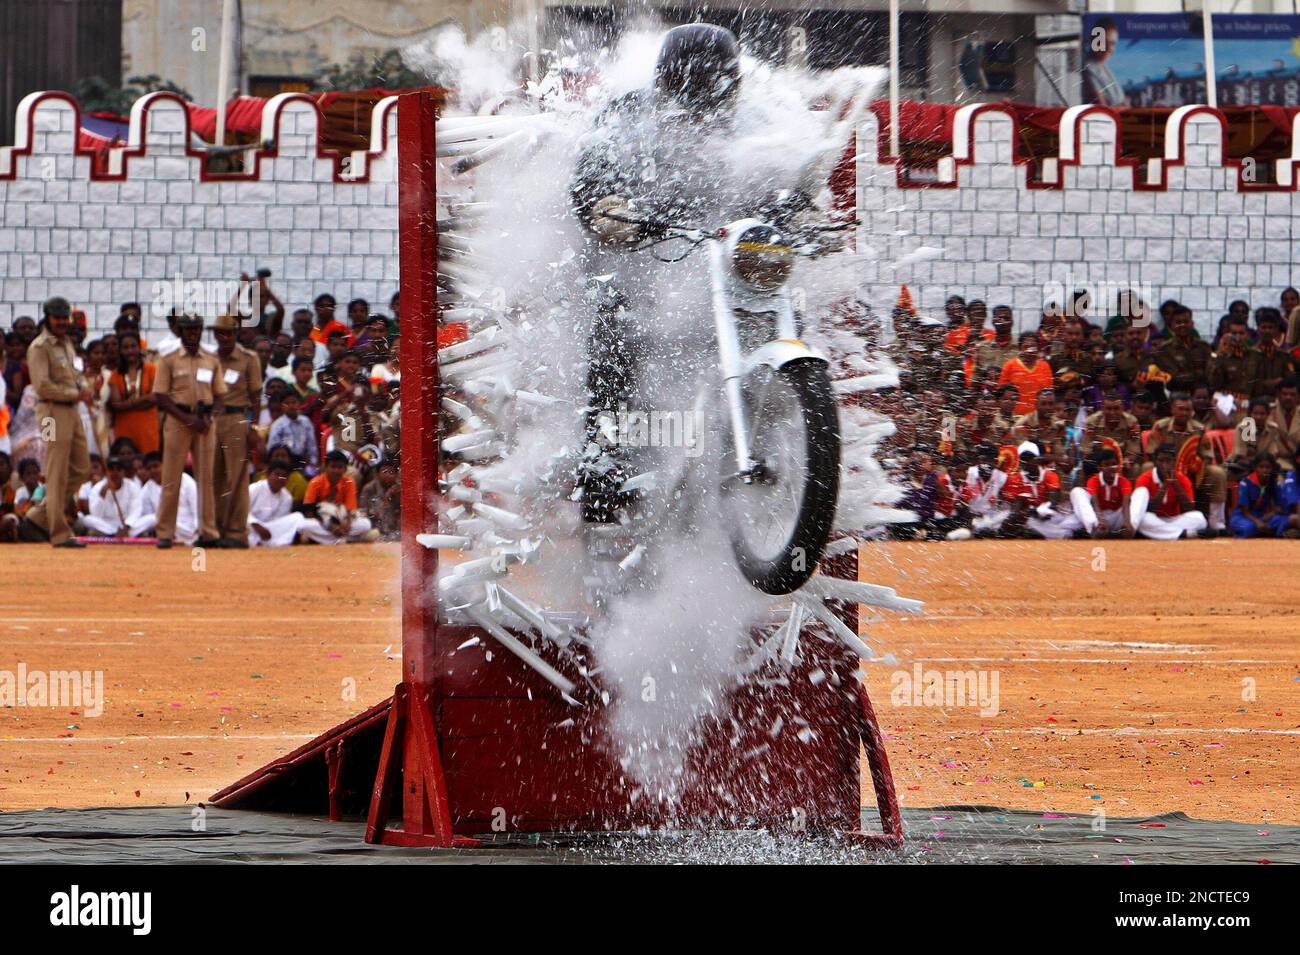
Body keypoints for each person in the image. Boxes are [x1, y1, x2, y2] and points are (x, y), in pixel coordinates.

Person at [21, 296, 91, 548]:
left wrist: (84, 386)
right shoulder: (39, 347)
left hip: (72, 411)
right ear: (48, 317)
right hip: (51, 412)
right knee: (56, 469)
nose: (62, 322)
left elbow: (76, 373)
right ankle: (60, 533)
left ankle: (38, 516)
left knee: (83, 468)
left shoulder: (67, 343)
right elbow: (42, 386)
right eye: (58, 318)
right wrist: (75, 393)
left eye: (65, 317)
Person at [152, 314, 226, 548]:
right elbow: (161, 396)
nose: (192, 333)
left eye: (196, 329)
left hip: (204, 423)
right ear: (180, 332)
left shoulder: (211, 359)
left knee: (206, 478)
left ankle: (208, 532)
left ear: (201, 330)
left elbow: (220, 395)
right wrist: (187, 419)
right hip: (178, 418)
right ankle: (165, 533)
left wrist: (210, 416)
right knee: (171, 478)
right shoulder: (169, 359)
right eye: (188, 330)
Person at [212, 314, 263, 547]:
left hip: (237, 419)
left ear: (236, 334)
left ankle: (236, 533)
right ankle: (215, 529)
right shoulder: (209, 359)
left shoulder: (248, 359)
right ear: (215, 334)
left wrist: (253, 427)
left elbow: (255, 397)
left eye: (230, 333)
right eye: (222, 333)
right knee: (214, 478)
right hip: (212, 421)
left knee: (237, 478)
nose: (226, 337)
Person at [1146, 392, 1227, 534]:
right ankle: (1145, 517)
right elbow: (1152, 454)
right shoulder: (1160, 427)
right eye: (1180, 409)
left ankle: (1217, 525)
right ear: (1172, 409)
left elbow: (1207, 456)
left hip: (1192, 473)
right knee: (1145, 468)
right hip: (1163, 471)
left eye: (1188, 410)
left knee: (1217, 473)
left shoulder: (1200, 429)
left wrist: (1198, 464)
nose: (1184, 413)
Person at [1131, 444, 1207, 540]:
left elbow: (1189, 508)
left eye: (1168, 461)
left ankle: (1164, 533)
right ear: (1155, 462)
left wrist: (1175, 484)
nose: (1164, 465)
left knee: (1199, 518)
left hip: (1174, 520)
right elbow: (1150, 509)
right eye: (1161, 460)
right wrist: (1165, 485)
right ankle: (1183, 534)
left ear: (1174, 462)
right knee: (1143, 519)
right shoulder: (1144, 478)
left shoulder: (1182, 479)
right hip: (1154, 519)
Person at [299, 450, 374, 544]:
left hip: (343, 521)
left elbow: (350, 510)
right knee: (303, 525)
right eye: (333, 467)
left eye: (340, 467)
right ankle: (345, 540)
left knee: (365, 524)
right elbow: (309, 512)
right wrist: (330, 526)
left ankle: (328, 540)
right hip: (323, 521)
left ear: (345, 469)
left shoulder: (349, 482)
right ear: (325, 467)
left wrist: (346, 525)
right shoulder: (315, 483)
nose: (336, 471)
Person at [107, 330, 159, 455]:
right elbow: (116, 405)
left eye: (133, 346)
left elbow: (155, 398)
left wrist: (127, 404)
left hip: (147, 427)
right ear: (120, 350)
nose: (130, 351)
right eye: (125, 347)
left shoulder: (151, 370)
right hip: (124, 427)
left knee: (148, 463)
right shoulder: (115, 375)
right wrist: (143, 399)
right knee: (125, 463)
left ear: (139, 347)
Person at [1229, 452, 1299, 538]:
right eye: (1261, 467)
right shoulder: (1246, 483)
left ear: (1272, 468)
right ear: (1255, 468)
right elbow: (1245, 511)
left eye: (1268, 467)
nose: (1264, 470)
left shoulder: (1274, 483)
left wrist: (1272, 513)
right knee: (1249, 527)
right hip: (1244, 517)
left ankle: (1266, 531)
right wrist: (1258, 522)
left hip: (1263, 517)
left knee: (1290, 519)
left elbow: (1282, 506)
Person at [1070, 448, 1134, 539]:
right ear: (1099, 468)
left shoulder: (1124, 481)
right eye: (1106, 464)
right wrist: (1101, 521)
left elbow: (1126, 504)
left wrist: (1127, 522)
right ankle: (1095, 530)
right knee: (1076, 491)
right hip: (1099, 518)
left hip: (1118, 518)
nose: (1111, 467)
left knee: (1140, 493)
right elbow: (1094, 502)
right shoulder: (1093, 481)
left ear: (1118, 466)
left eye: (1113, 464)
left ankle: (1127, 530)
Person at [247, 461, 307, 548]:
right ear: (268, 475)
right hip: (251, 528)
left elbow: (279, 522)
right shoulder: (254, 488)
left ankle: (269, 544)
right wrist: (256, 525)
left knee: (298, 517)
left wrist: (267, 530)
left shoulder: (287, 497)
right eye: (277, 474)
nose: (280, 478)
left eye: (284, 476)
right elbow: (242, 512)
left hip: (270, 530)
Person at [78, 455, 139, 537]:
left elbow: (135, 511)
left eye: (119, 469)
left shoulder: (132, 487)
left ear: (124, 472)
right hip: (106, 525)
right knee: (87, 519)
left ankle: (120, 533)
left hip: (127, 525)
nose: (115, 472)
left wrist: (127, 526)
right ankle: (114, 534)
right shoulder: (98, 488)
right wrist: (103, 493)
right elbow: (95, 514)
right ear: (106, 472)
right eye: (111, 469)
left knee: (151, 519)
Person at [997, 333, 1054, 416]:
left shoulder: (1045, 366)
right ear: (1020, 348)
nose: (1030, 350)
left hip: (1037, 418)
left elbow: (1050, 394)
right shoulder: (1010, 365)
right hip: (1014, 417)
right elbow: (1000, 395)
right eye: (1026, 347)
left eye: (1033, 347)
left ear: (1038, 349)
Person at [267, 390, 319, 475]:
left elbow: (312, 447)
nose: (291, 406)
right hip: (285, 463)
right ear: (282, 406)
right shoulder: (277, 425)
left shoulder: (306, 422)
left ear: (299, 404)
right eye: (287, 403)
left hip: (303, 461)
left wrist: (313, 463)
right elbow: (272, 449)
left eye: (294, 402)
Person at [1083, 17, 1127, 107]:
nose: (1109, 48)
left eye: (1113, 43)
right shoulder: (1089, 69)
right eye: (1104, 42)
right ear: (1093, 40)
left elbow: (1123, 101)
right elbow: (1102, 106)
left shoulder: (1103, 67)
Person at [359, 457, 401, 540]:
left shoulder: (400, 489)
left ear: (396, 475)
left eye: (391, 472)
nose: (388, 475)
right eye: (385, 471)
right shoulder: (369, 489)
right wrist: (385, 500)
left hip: (396, 531)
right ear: (377, 474)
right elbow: (363, 512)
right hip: (375, 530)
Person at [1266, 376, 1300, 472]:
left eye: (1292, 394)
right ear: (1278, 395)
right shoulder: (1268, 412)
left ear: (1298, 397)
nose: (1288, 397)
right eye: (1284, 394)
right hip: (1275, 462)